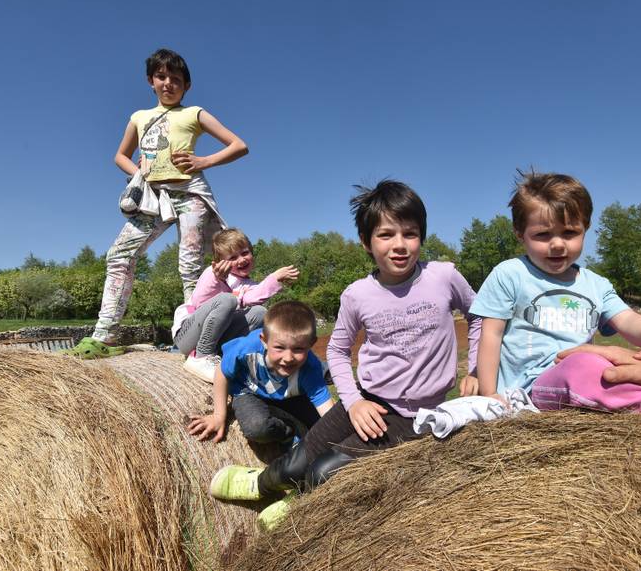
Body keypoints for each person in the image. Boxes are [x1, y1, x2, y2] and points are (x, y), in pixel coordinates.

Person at [206, 180, 482, 531]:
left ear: (421, 237)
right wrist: (352, 402)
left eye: (410, 234)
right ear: (367, 243)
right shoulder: (357, 295)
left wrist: (474, 368)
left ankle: (300, 501)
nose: (400, 245)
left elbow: (479, 317)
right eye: (386, 235)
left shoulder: (444, 276)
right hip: (365, 399)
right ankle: (260, 483)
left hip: (414, 416)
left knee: (324, 473)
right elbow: (336, 351)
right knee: (294, 464)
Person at [67, 49, 248, 359]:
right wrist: (139, 172)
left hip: (190, 196)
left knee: (190, 266)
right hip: (154, 198)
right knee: (119, 254)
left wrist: (203, 160)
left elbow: (238, 145)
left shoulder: (194, 113)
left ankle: (198, 340)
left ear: (186, 85)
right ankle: (104, 335)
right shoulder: (139, 117)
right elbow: (119, 155)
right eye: (161, 77)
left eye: (175, 79)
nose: (168, 84)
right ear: (151, 81)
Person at [472, 171, 641, 397]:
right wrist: (489, 394)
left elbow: (628, 319)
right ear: (520, 234)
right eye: (543, 234)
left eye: (569, 232)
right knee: (586, 365)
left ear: (585, 228)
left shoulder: (596, 285)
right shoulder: (510, 274)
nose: (558, 244)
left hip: (581, 381)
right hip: (528, 388)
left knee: (631, 366)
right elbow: (492, 335)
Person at [187, 301, 334, 447]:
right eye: (279, 348)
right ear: (264, 341)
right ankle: (289, 432)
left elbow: (327, 411)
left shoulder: (309, 366)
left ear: (311, 343)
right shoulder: (247, 348)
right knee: (257, 428)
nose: (288, 358)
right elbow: (221, 372)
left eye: (298, 349)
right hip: (248, 390)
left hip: (291, 394)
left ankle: (329, 372)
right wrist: (219, 416)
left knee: (324, 428)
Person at [172, 228, 299, 382]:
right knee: (228, 299)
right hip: (188, 336)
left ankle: (225, 354)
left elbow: (251, 298)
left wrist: (274, 279)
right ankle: (201, 357)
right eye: (232, 257)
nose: (241, 259)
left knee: (260, 312)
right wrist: (218, 279)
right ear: (220, 262)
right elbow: (199, 302)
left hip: (217, 340)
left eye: (245, 253)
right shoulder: (212, 273)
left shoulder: (249, 285)